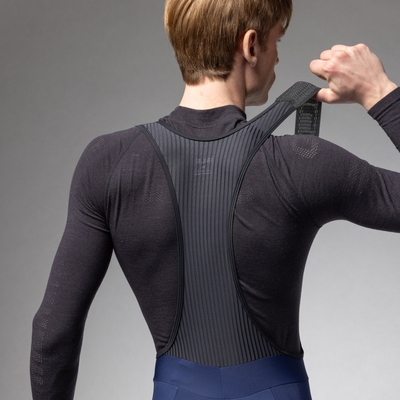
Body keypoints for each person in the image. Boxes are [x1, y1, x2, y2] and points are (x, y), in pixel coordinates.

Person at [30, 0, 400, 399]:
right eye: (277, 41)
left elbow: (53, 335)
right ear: (251, 45)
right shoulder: (300, 162)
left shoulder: (109, 162)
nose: (278, 57)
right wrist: (379, 92)